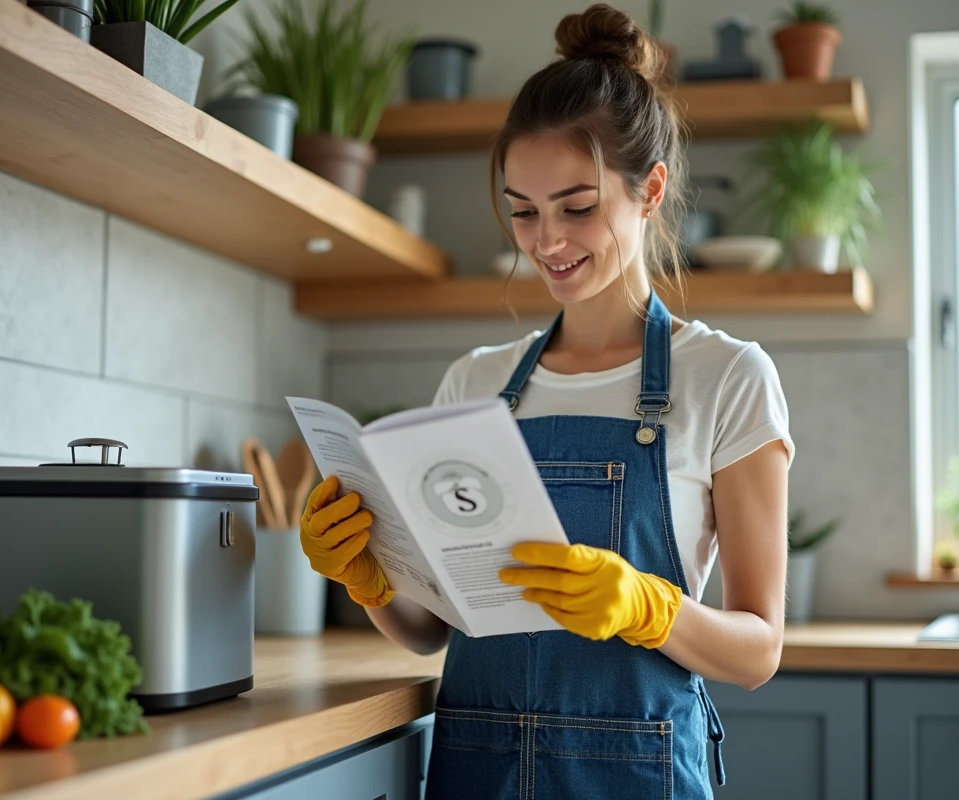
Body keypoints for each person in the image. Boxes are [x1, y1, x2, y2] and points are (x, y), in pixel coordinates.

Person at [297, 4, 794, 797]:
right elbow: (431, 632)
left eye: (578, 205)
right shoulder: (474, 381)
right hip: (476, 771)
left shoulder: (728, 376)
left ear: (651, 189)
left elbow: (758, 649)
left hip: (641, 775)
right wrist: (368, 578)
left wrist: (647, 608)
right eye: (523, 211)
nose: (547, 241)